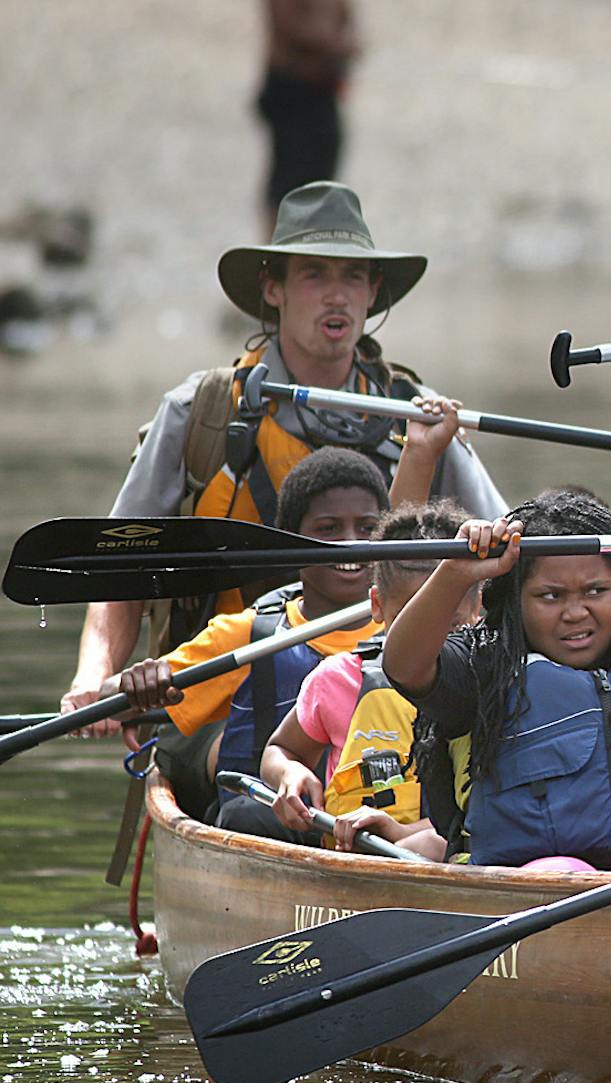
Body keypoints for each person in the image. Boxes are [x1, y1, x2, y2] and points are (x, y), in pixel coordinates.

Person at [61, 180, 504, 741]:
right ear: (274, 289)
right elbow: (117, 572)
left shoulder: (421, 420)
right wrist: (93, 679)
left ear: (373, 293)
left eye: (352, 277)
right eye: (314, 274)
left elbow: (505, 558)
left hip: (389, 703)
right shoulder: (201, 411)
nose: (337, 296)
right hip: (222, 694)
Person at [383, 491, 611, 870]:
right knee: (563, 870)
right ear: (516, 601)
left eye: (596, 591)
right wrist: (453, 572)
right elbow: (404, 667)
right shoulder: (484, 665)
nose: (575, 613)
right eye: (550, 596)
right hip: (520, 892)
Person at [107, 448, 391, 826]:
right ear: (291, 542)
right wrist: (135, 684)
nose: (350, 543)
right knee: (245, 816)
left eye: (368, 529)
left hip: (386, 827)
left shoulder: (410, 633)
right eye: (328, 529)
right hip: (276, 825)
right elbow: (107, 697)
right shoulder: (249, 635)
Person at [258, 498, 477, 854]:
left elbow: (489, 810)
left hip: (451, 855)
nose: (427, 642)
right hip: (350, 858)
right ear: (377, 605)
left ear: (477, 607)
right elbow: (280, 749)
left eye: (449, 624)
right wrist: (290, 774)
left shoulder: (493, 685)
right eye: (410, 622)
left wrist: (402, 833)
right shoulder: (337, 679)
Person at [258, 0, 359, 237]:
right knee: (287, 182)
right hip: (292, 88)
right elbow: (286, 22)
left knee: (321, 178)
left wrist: (347, 40)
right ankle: (276, 252)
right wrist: (334, 43)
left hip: (323, 90)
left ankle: (313, 245)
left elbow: (345, 15)